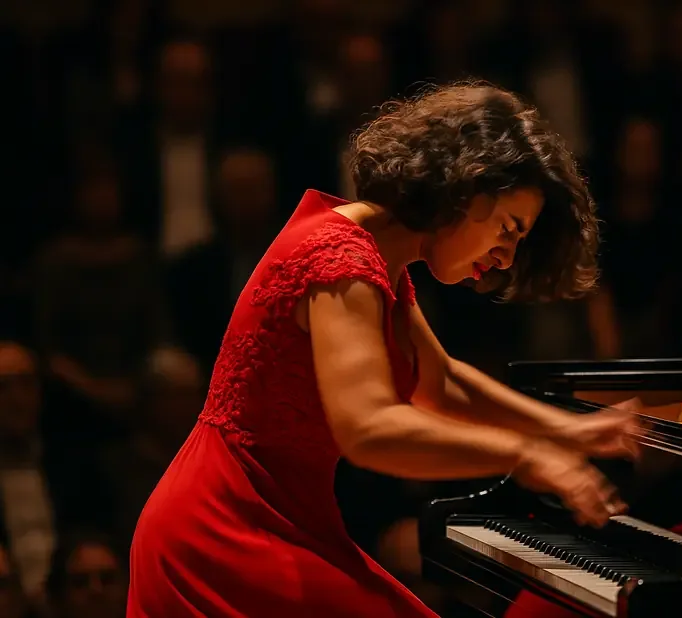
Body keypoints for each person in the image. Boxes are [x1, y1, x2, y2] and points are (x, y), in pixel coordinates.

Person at [127, 82, 642, 617]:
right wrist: (524, 453)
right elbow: (368, 429)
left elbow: (441, 382)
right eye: (509, 230)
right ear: (467, 186)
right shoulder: (341, 258)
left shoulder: (379, 258)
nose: (507, 258)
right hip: (222, 530)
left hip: (271, 517)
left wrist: (567, 429)